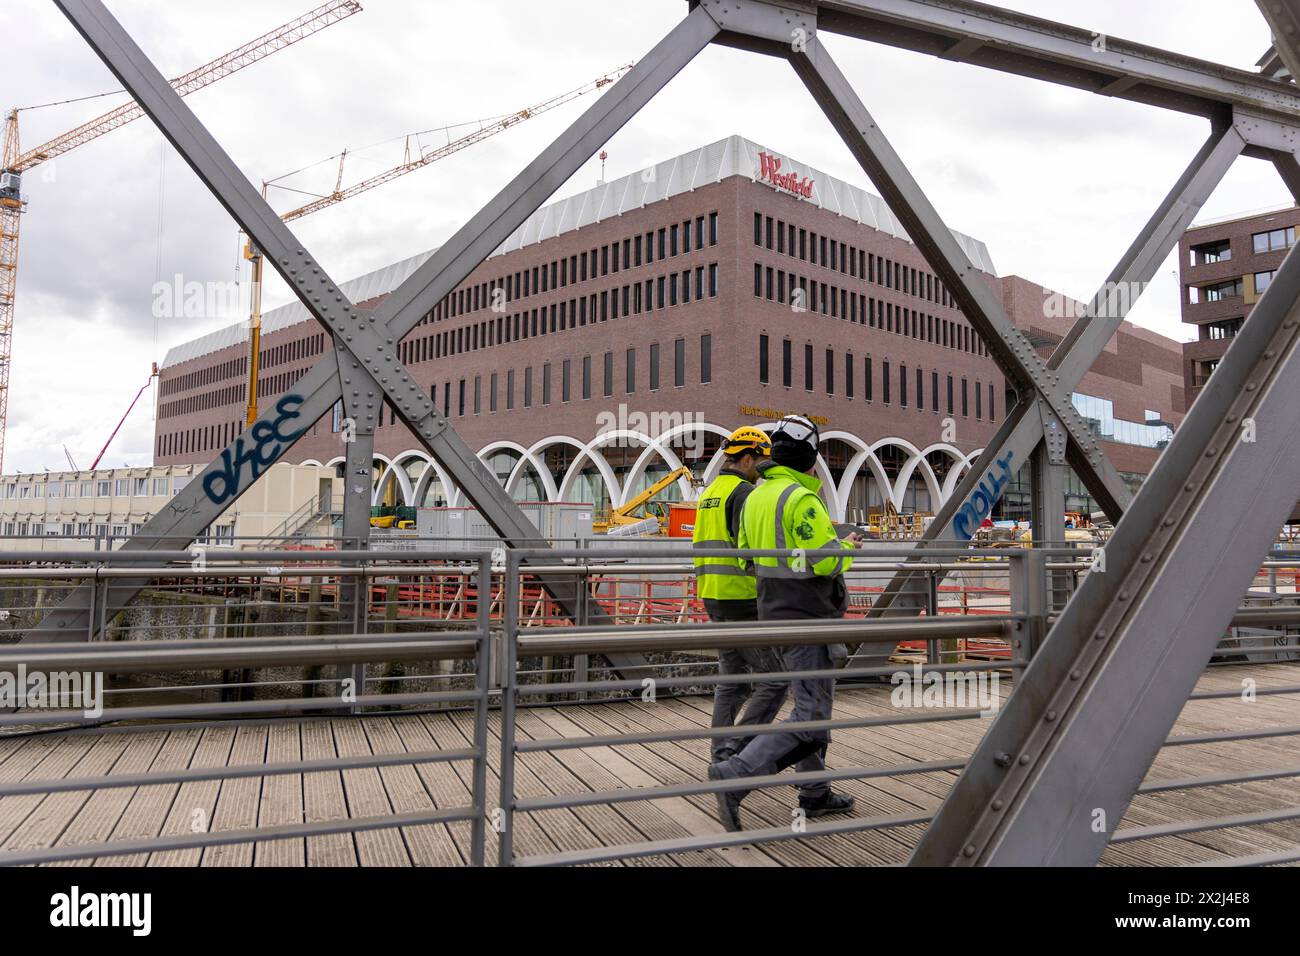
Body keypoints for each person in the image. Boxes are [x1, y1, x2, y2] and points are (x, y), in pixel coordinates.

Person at [708, 414, 859, 831]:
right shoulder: (800, 499)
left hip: (770, 612)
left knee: (810, 708)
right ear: (810, 458)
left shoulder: (756, 495)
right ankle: (735, 774)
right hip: (809, 616)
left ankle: (814, 792)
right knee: (811, 714)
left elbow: (744, 554)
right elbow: (826, 560)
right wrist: (846, 546)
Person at [693, 426, 788, 764]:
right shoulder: (743, 492)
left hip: (713, 595)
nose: (762, 469)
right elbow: (747, 551)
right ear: (746, 458)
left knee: (732, 680)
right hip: (742, 598)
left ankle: (722, 753)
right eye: (760, 461)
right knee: (775, 679)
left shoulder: (709, 492)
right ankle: (738, 754)